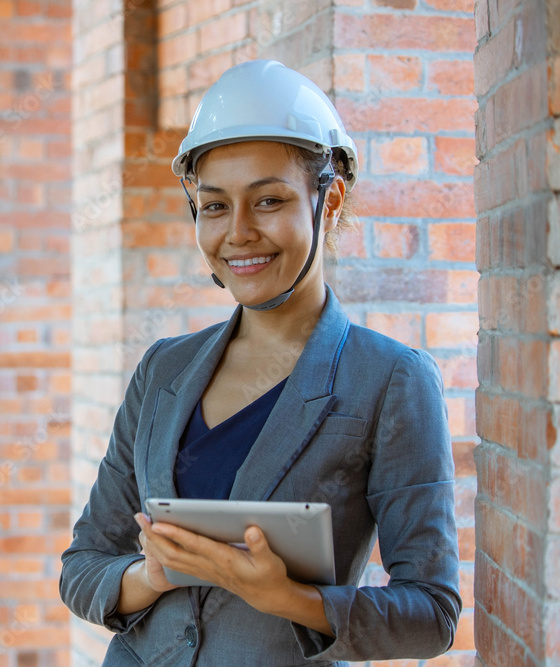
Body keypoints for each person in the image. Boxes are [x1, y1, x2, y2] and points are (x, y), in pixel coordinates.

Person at [59, 60, 461, 665]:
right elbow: (81, 566)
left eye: (268, 200)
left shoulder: (389, 381)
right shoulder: (163, 371)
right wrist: (153, 575)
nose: (238, 233)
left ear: (331, 200)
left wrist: (292, 598)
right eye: (215, 207)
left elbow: (432, 616)